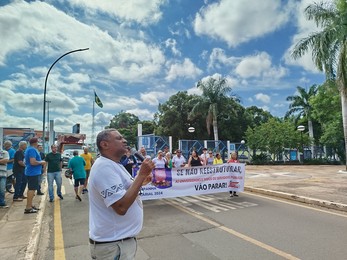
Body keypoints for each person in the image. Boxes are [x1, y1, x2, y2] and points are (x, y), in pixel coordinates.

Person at [88, 128, 155, 259]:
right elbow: (121, 207)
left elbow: (124, 192)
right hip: (113, 246)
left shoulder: (114, 165)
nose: (124, 140)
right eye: (119, 138)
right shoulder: (104, 168)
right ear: (104, 144)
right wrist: (141, 175)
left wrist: (140, 181)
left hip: (119, 242)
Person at [24, 137, 46, 214]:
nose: (38, 144)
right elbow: (33, 162)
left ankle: (30, 204)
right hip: (33, 172)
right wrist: (41, 162)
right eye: (37, 142)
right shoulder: (32, 150)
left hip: (32, 172)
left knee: (32, 189)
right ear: (35, 143)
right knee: (31, 189)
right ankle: (28, 207)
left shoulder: (29, 149)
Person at [0, 143, 9, 208]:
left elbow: (6, 160)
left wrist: (3, 161)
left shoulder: (5, 152)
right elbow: (3, 161)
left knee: (2, 189)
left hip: (2, 173)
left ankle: (2, 203)